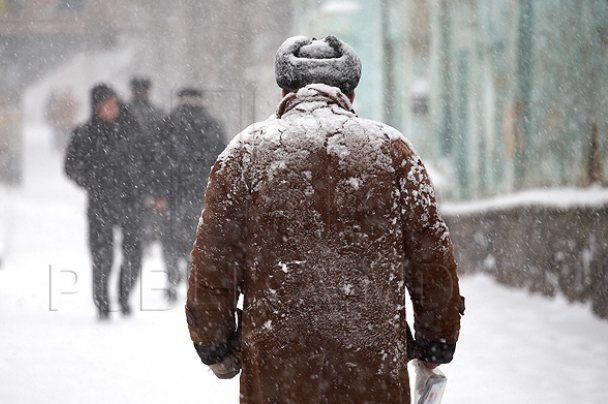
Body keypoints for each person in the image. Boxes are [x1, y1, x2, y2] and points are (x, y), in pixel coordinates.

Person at [185, 35, 464, 403]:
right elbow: (431, 258)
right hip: (372, 368)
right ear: (349, 93)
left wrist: (215, 345)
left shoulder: (245, 153)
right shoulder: (392, 151)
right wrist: (436, 341)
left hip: (276, 371)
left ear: (284, 90)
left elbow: (214, 262)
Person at [64, 84, 145, 319]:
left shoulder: (132, 130)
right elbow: (71, 166)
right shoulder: (84, 133)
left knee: (133, 252)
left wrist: (142, 185)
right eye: (105, 106)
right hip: (100, 202)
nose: (111, 110)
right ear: (96, 108)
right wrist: (91, 180)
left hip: (131, 200)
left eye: (114, 104)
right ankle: (102, 303)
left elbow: (149, 160)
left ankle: (124, 296)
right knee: (102, 255)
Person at [161, 87, 226, 302]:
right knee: (196, 236)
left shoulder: (168, 123)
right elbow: (223, 159)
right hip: (202, 190)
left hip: (172, 190)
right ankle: (194, 279)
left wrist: (157, 189)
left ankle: (171, 278)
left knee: (169, 235)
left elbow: (157, 157)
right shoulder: (213, 125)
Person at [122, 77, 169, 245]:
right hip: (152, 168)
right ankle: (148, 234)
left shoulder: (124, 113)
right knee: (150, 204)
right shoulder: (158, 114)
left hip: (127, 171)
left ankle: (135, 238)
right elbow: (164, 146)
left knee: (132, 209)